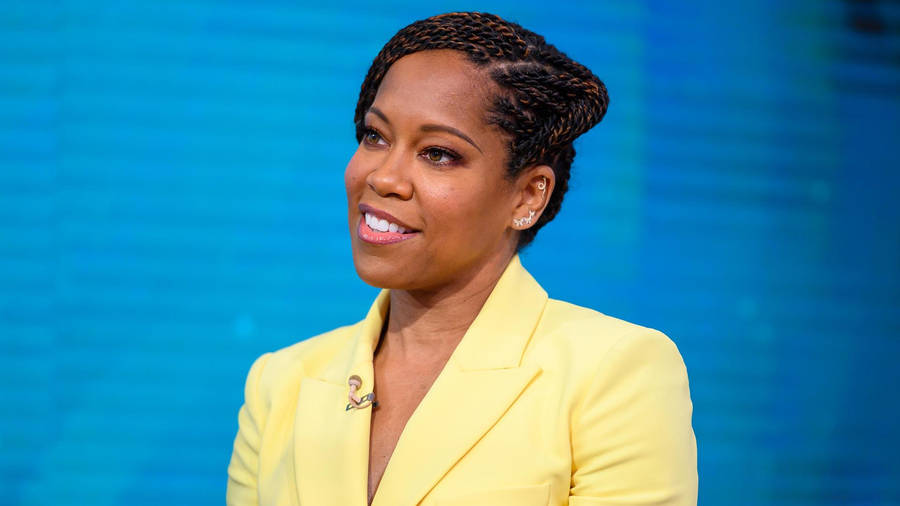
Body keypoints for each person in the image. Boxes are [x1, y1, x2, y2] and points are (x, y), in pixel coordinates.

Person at [226, 11, 697, 506]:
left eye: (438, 154)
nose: (384, 178)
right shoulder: (279, 384)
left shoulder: (614, 375)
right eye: (375, 136)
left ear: (527, 195)